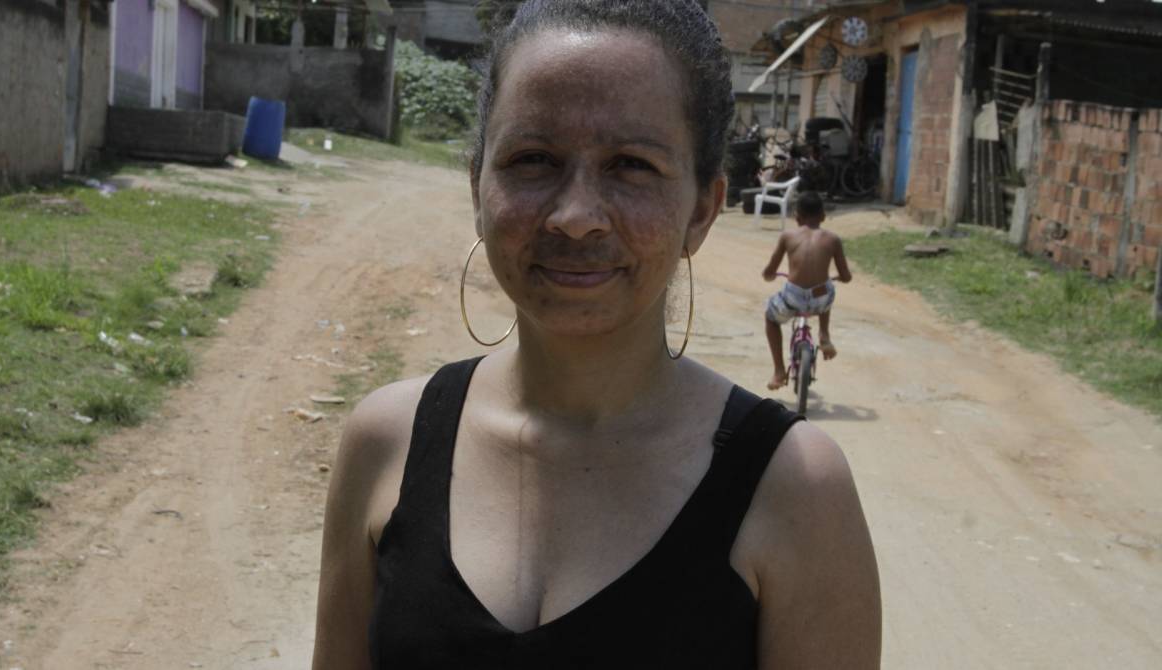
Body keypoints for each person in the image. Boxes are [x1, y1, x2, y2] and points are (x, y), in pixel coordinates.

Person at [312, 1, 880, 668]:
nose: (576, 216)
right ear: (477, 186)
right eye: (532, 159)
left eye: (632, 166)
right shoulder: (387, 442)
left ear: (702, 209)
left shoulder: (796, 490)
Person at [762, 191, 853, 391]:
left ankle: (779, 372)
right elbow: (846, 276)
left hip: (793, 298)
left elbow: (769, 271)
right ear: (823, 216)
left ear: (797, 218)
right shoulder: (833, 239)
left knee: (770, 317)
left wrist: (769, 275)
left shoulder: (788, 236)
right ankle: (824, 335)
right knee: (827, 288)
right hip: (820, 299)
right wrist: (840, 278)